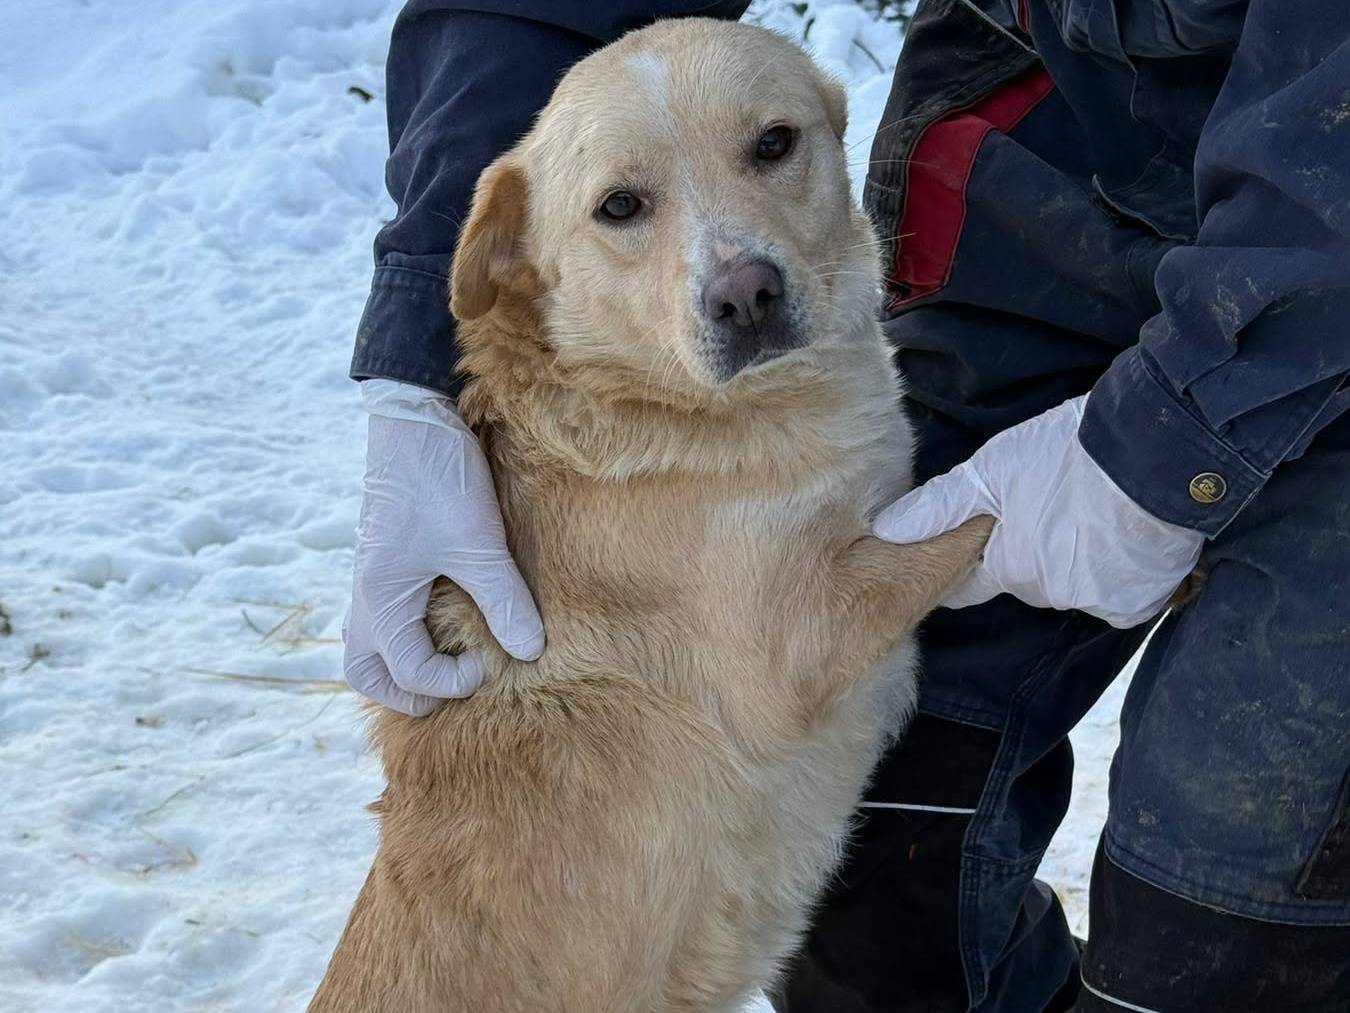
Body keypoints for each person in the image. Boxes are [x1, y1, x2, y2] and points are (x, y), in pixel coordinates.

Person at [341, 2, 1350, 1009]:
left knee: (1223, 912)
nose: (733, 276)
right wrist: (415, 364)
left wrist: (1161, 449)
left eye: (772, 146)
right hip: (1044, 126)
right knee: (881, 880)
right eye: (622, 210)